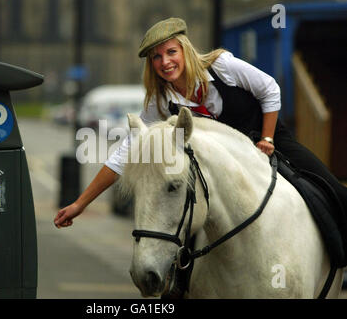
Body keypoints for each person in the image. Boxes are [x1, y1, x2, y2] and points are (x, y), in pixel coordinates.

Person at [54, 18, 347, 264]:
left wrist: (268, 137)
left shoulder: (222, 66)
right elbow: (124, 155)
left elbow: (269, 89)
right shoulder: (159, 103)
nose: (165, 62)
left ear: (184, 49)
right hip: (219, 168)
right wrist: (80, 204)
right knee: (185, 225)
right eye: (156, 57)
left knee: (329, 187)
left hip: (265, 141)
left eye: (170, 52)